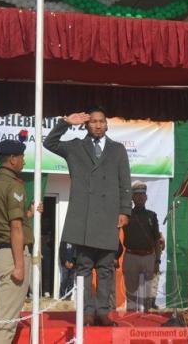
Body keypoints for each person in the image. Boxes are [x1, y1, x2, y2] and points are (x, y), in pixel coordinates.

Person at [43, 108, 132, 327]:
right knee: (83, 268)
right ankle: (86, 312)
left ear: (107, 124)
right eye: (93, 122)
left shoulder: (118, 149)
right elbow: (49, 143)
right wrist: (66, 122)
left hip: (108, 218)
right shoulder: (75, 147)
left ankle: (103, 312)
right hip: (84, 219)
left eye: (101, 121)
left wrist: (124, 211)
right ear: (86, 125)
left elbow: (125, 182)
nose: (98, 125)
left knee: (106, 269)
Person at [0, 135, 38, 344]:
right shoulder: (14, 186)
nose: (24, 161)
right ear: (13, 159)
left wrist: (29, 214)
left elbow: (6, 221)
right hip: (12, 255)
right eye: (21, 157)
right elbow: (15, 227)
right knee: (6, 323)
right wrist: (19, 265)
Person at [123, 181, 162, 313]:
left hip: (148, 257)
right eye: (137, 194)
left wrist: (157, 260)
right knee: (131, 295)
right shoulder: (126, 214)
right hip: (131, 256)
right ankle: (130, 319)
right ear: (132, 197)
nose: (140, 197)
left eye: (142, 194)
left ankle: (147, 318)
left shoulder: (152, 216)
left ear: (146, 197)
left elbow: (157, 240)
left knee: (147, 296)